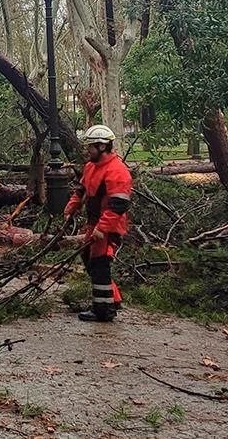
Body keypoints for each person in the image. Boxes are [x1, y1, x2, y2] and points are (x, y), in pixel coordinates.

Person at [64, 124, 132, 322]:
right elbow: (81, 190)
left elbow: (118, 205)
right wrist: (70, 209)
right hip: (94, 223)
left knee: (100, 264)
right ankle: (112, 299)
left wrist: (102, 228)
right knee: (89, 258)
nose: (88, 150)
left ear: (102, 146)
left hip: (109, 226)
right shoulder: (91, 167)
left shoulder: (117, 171)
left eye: (91, 147)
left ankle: (103, 310)